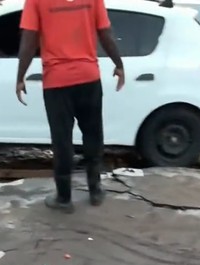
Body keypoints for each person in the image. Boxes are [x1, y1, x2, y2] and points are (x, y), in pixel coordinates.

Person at [16, 0, 124, 214]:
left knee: (62, 139)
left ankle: (64, 198)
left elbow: (29, 40)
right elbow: (105, 32)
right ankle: (95, 191)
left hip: (57, 82)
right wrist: (118, 63)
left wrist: (20, 77)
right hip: (89, 77)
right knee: (93, 134)